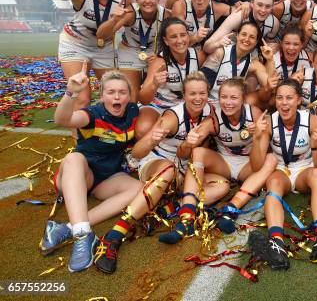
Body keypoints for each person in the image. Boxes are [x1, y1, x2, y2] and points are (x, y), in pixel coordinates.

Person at [93, 72, 229, 273]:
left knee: (222, 185)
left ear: (208, 94)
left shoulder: (211, 112)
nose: (198, 98)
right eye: (192, 94)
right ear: (184, 94)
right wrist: (150, 140)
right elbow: (138, 153)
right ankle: (114, 234)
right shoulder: (172, 117)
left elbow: (189, 153)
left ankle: (163, 211)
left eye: (202, 93)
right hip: (157, 163)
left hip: (184, 169)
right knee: (167, 169)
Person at [40, 67, 141, 272]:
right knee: (74, 158)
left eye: (122, 92)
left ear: (129, 96)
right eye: (111, 92)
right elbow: (62, 120)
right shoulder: (93, 114)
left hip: (105, 179)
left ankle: (67, 228)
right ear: (102, 95)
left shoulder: (133, 112)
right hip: (77, 175)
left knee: (139, 188)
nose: (117, 97)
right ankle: (83, 235)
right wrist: (71, 93)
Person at [247, 79, 317, 270]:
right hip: (282, 170)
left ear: (298, 101)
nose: (284, 103)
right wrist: (257, 139)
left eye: (289, 98)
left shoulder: (310, 120)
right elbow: (256, 166)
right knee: (272, 181)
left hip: (305, 169)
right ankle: (276, 243)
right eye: (279, 98)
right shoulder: (269, 122)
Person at [178, 79, 278, 235]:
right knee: (197, 152)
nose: (228, 102)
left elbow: (258, 164)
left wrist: (258, 135)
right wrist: (187, 143)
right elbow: (183, 155)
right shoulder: (213, 119)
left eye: (234, 98)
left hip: (249, 164)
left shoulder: (254, 114)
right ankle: (187, 215)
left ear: (243, 99)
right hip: (224, 163)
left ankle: (231, 209)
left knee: (271, 159)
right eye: (224, 97)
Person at [96, 0, 171, 101]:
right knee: (132, 97)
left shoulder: (166, 15)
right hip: (130, 50)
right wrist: (114, 20)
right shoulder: (130, 12)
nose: (147, 1)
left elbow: (173, 40)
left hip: (154, 52)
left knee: (155, 94)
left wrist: (161, 53)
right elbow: (101, 35)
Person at [137, 18, 206, 138]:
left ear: (188, 36)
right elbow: (143, 99)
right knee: (143, 130)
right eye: (173, 36)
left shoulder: (198, 56)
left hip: (185, 105)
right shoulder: (159, 62)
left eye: (183, 35)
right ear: (166, 40)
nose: (179, 40)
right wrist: (154, 85)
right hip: (158, 105)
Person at [201, 21, 270, 103]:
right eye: (244, 34)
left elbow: (269, 84)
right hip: (209, 100)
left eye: (252, 37)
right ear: (237, 35)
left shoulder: (253, 63)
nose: (247, 39)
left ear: (256, 42)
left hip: (232, 104)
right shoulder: (221, 52)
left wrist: (270, 59)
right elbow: (201, 82)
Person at [172, 0, 247, 46]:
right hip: (181, 49)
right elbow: (177, 41)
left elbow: (239, 11)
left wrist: (247, 4)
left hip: (201, 50)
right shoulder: (181, 6)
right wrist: (195, 38)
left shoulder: (216, 8)